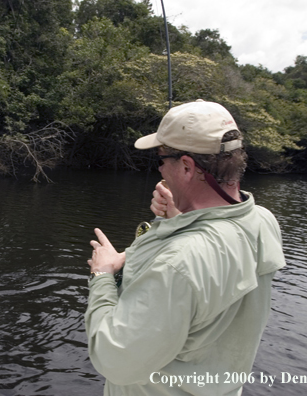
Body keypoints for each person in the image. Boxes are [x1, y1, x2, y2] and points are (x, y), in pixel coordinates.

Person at [85, 100, 286, 395]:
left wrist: (103, 276)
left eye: (162, 159)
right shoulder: (263, 221)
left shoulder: (178, 262)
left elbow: (116, 360)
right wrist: (179, 218)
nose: (160, 169)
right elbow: (216, 260)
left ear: (188, 167)